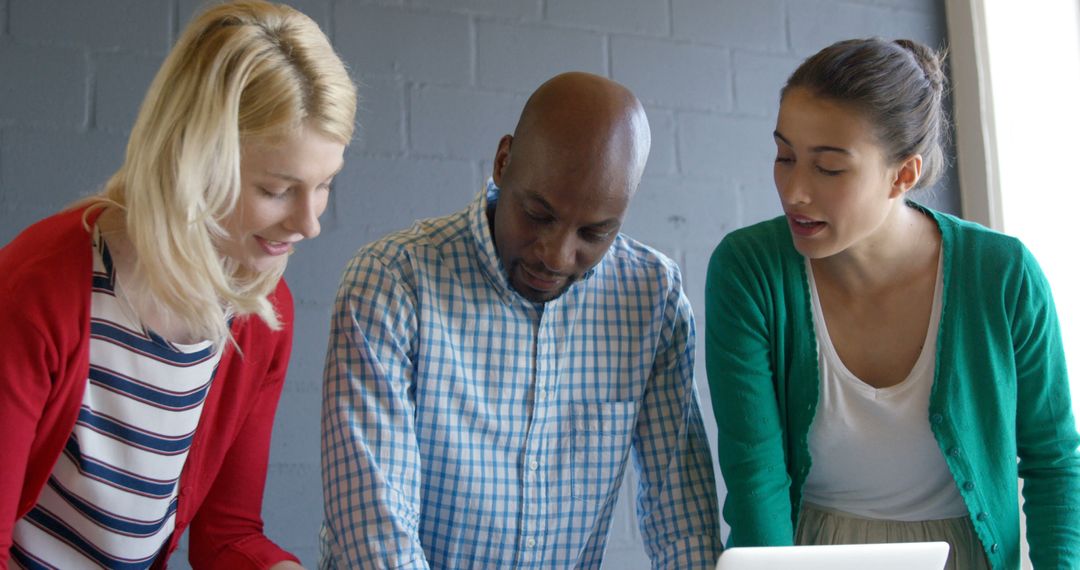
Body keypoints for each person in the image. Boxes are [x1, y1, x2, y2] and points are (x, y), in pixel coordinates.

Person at [0, 1, 356, 568]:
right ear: (192, 158)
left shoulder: (262, 315)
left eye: (325, 185)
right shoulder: (41, 285)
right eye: (276, 189)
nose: (309, 223)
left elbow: (228, 536)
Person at [705, 37, 1080, 570]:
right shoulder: (749, 270)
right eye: (785, 156)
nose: (794, 191)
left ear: (902, 175)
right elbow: (755, 474)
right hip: (805, 555)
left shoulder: (1003, 274)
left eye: (828, 168)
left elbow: (1054, 462)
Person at [320, 71, 721, 569]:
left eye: (594, 234)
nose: (556, 255)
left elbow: (682, 520)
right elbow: (376, 534)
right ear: (504, 162)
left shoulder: (652, 298)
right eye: (538, 214)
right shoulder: (393, 282)